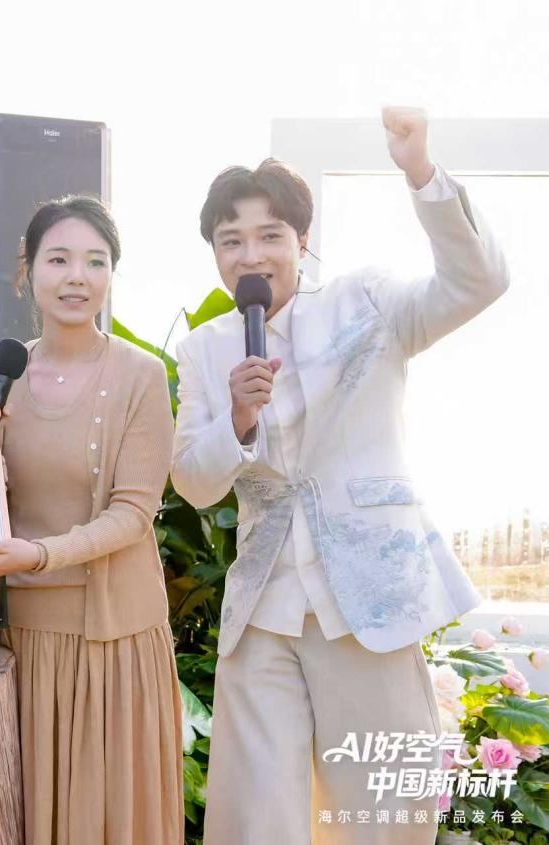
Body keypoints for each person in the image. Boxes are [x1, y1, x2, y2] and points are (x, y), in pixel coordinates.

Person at [172, 108, 509, 844]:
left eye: (269, 235)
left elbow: (478, 279)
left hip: (369, 599)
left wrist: (421, 172)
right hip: (264, 610)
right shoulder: (203, 350)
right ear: (214, 252)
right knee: (255, 818)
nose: (250, 255)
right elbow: (193, 481)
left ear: (302, 240)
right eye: (230, 240)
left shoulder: (368, 301)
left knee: (378, 813)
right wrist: (236, 419)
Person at [0, 195, 184, 844]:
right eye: (58, 259)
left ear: (112, 272)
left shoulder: (141, 375)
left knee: (102, 819)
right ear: (27, 269)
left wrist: (39, 555)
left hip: (110, 641)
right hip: (19, 639)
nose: (77, 277)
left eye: (95, 260)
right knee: (25, 814)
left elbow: (134, 513)